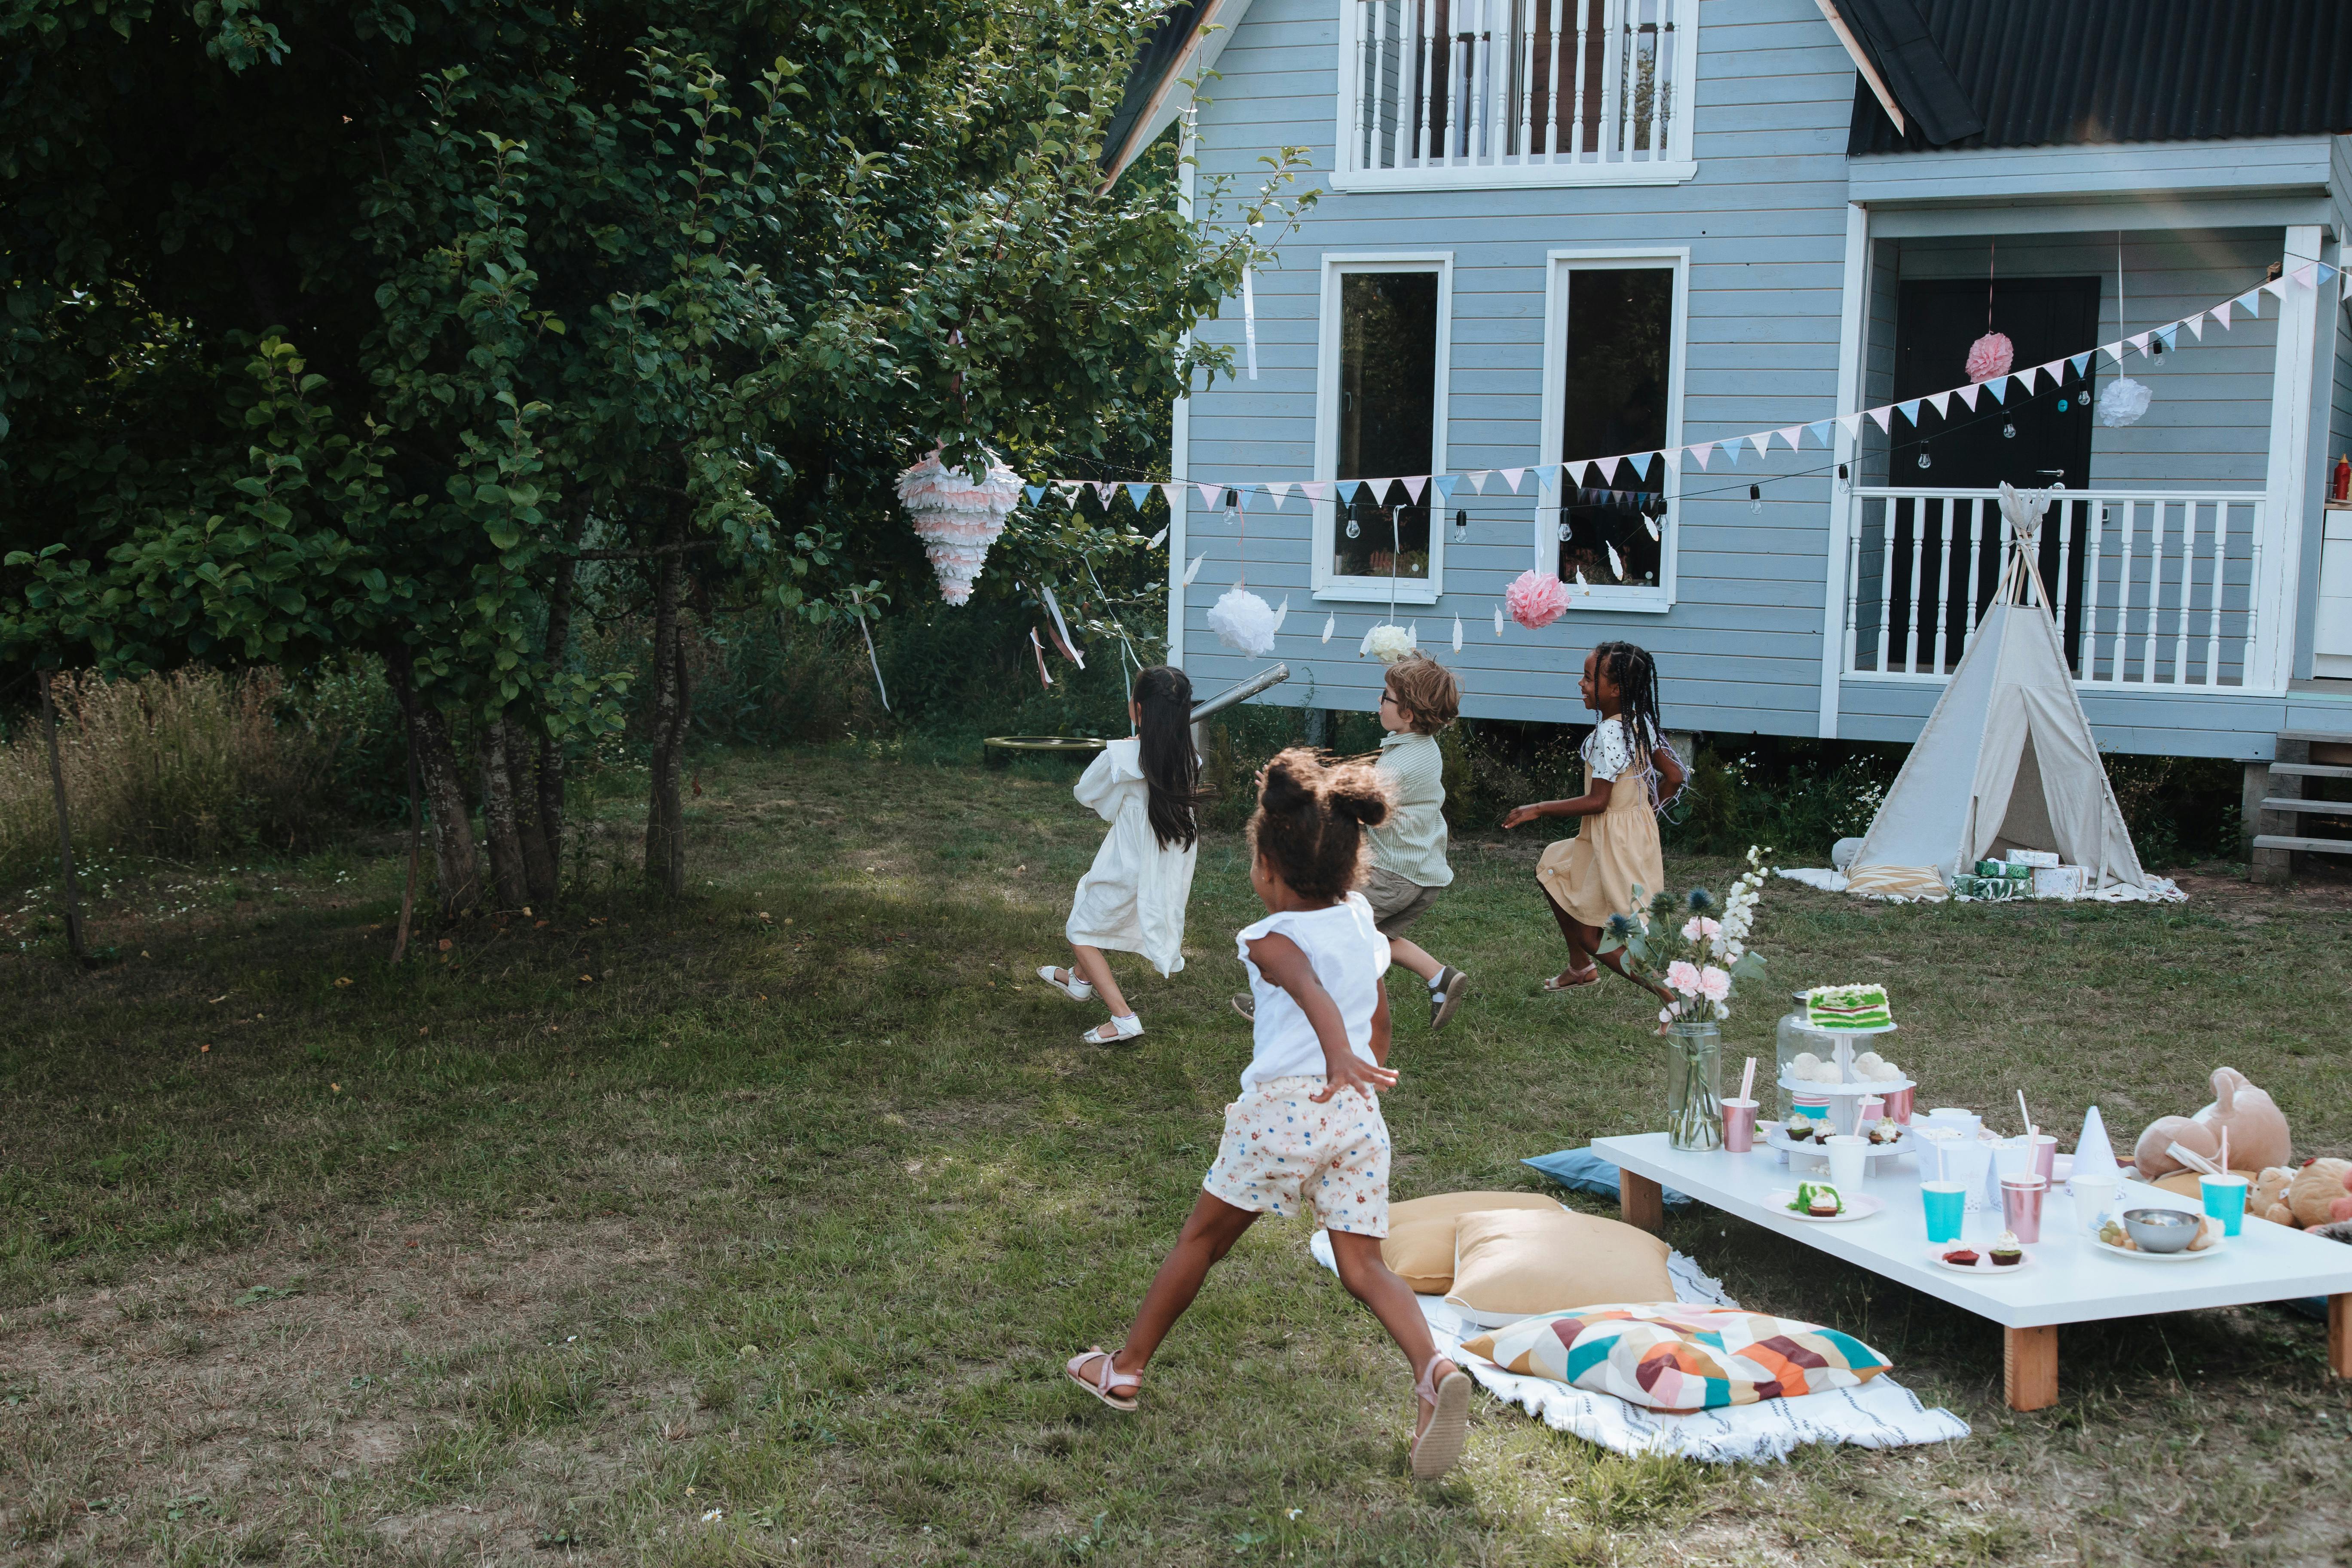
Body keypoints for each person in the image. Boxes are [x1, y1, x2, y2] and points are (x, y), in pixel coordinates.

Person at [1063, 749, 1471, 1481]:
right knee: (1365, 1265)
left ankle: (1123, 1368)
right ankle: (1431, 1367)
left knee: (1200, 1243)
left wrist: (1336, 1051)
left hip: (1287, 1110)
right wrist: (1363, 1056)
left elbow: (1306, 985)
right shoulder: (1357, 919)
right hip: (1355, 1116)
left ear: (1268, 871)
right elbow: (1371, 1000)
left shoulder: (1267, 938)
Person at [1230, 657, 1469, 1031]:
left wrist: (1288, 794)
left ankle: (1279, 1005)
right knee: (1369, 938)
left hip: (1394, 876)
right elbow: (1358, 784)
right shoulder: (1421, 748)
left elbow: (1347, 799)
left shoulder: (1402, 763)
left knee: (1316, 933)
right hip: (1422, 875)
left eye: (1386, 697)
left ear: (1406, 712)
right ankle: (1439, 976)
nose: (1379, 701)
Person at [1503, 642, 1685, 1001]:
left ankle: (1670, 997)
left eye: (1589, 678)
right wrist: (1644, 813)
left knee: (1592, 933)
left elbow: (1598, 802)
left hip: (1612, 842)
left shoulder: (1609, 733)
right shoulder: (1639, 722)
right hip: (1624, 835)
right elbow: (1675, 777)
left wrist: (1538, 808)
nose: (1581, 685)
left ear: (1615, 690)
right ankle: (1579, 967)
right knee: (1553, 864)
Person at [1038, 666, 1203, 1044]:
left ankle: (1123, 1017)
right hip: (1162, 865)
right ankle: (1080, 980)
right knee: (1097, 916)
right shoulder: (1189, 762)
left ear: (1138, 710)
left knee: (1080, 929)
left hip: (1127, 866)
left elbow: (1087, 794)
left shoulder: (1124, 757)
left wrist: (1120, 758)